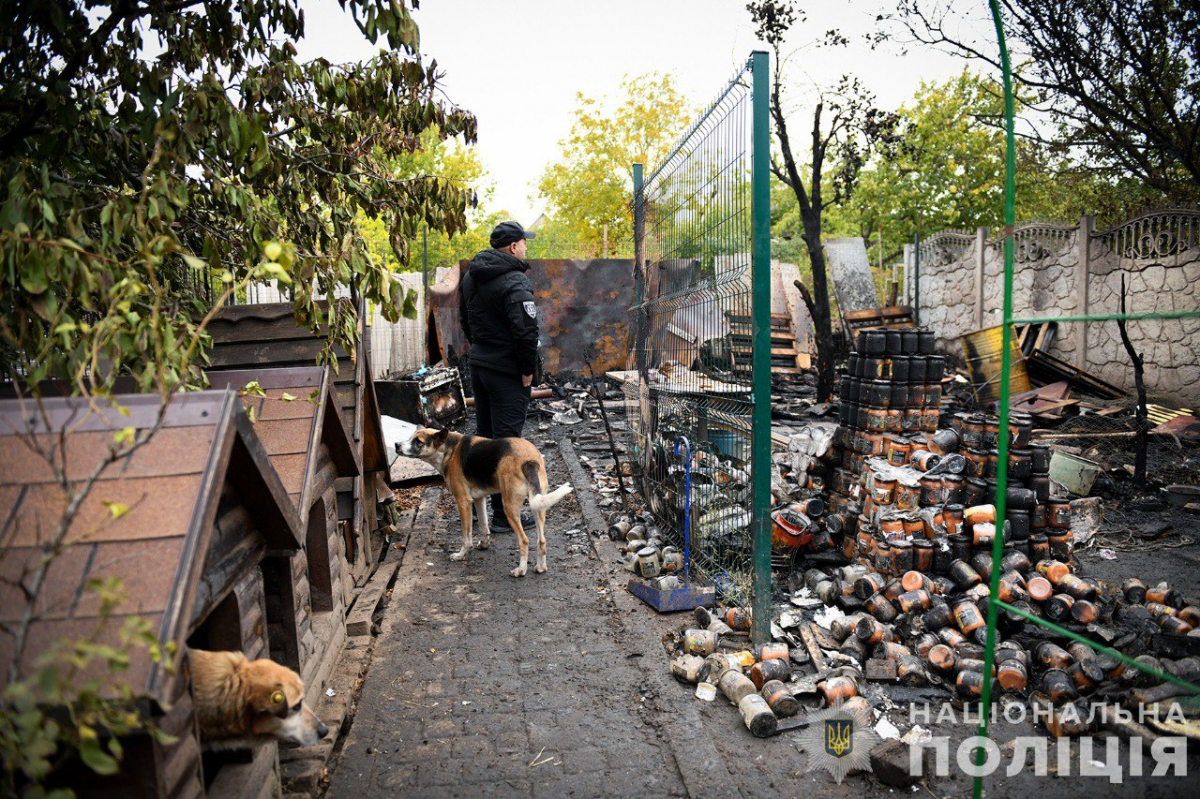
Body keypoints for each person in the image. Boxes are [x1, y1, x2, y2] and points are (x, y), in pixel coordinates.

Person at [459, 220, 541, 532]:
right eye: (524, 242)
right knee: (507, 446)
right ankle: (507, 517)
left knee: (488, 440)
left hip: (480, 367)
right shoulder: (514, 280)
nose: (526, 246)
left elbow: (465, 319)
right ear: (513, 246)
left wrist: (481, 348)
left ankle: (489, 508)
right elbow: (525, 332)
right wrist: (526, 370)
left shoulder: (471, 277)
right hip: (506, 372)